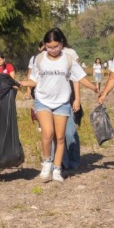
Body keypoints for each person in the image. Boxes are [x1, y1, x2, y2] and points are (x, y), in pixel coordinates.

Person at [19, 28, 99, 182]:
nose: (53, 50)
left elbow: (81, 77)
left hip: (62, 102)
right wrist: (20, 83)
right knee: (47, 133)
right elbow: (34, 80)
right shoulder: (40, 59)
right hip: (42, 100)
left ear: (61, 43)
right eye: (49, 47)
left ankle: (57, 169)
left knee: (60, 136)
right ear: (45, 45)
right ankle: (47, 163)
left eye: (56, 46)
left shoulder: (68, 59)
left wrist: (94, 88)